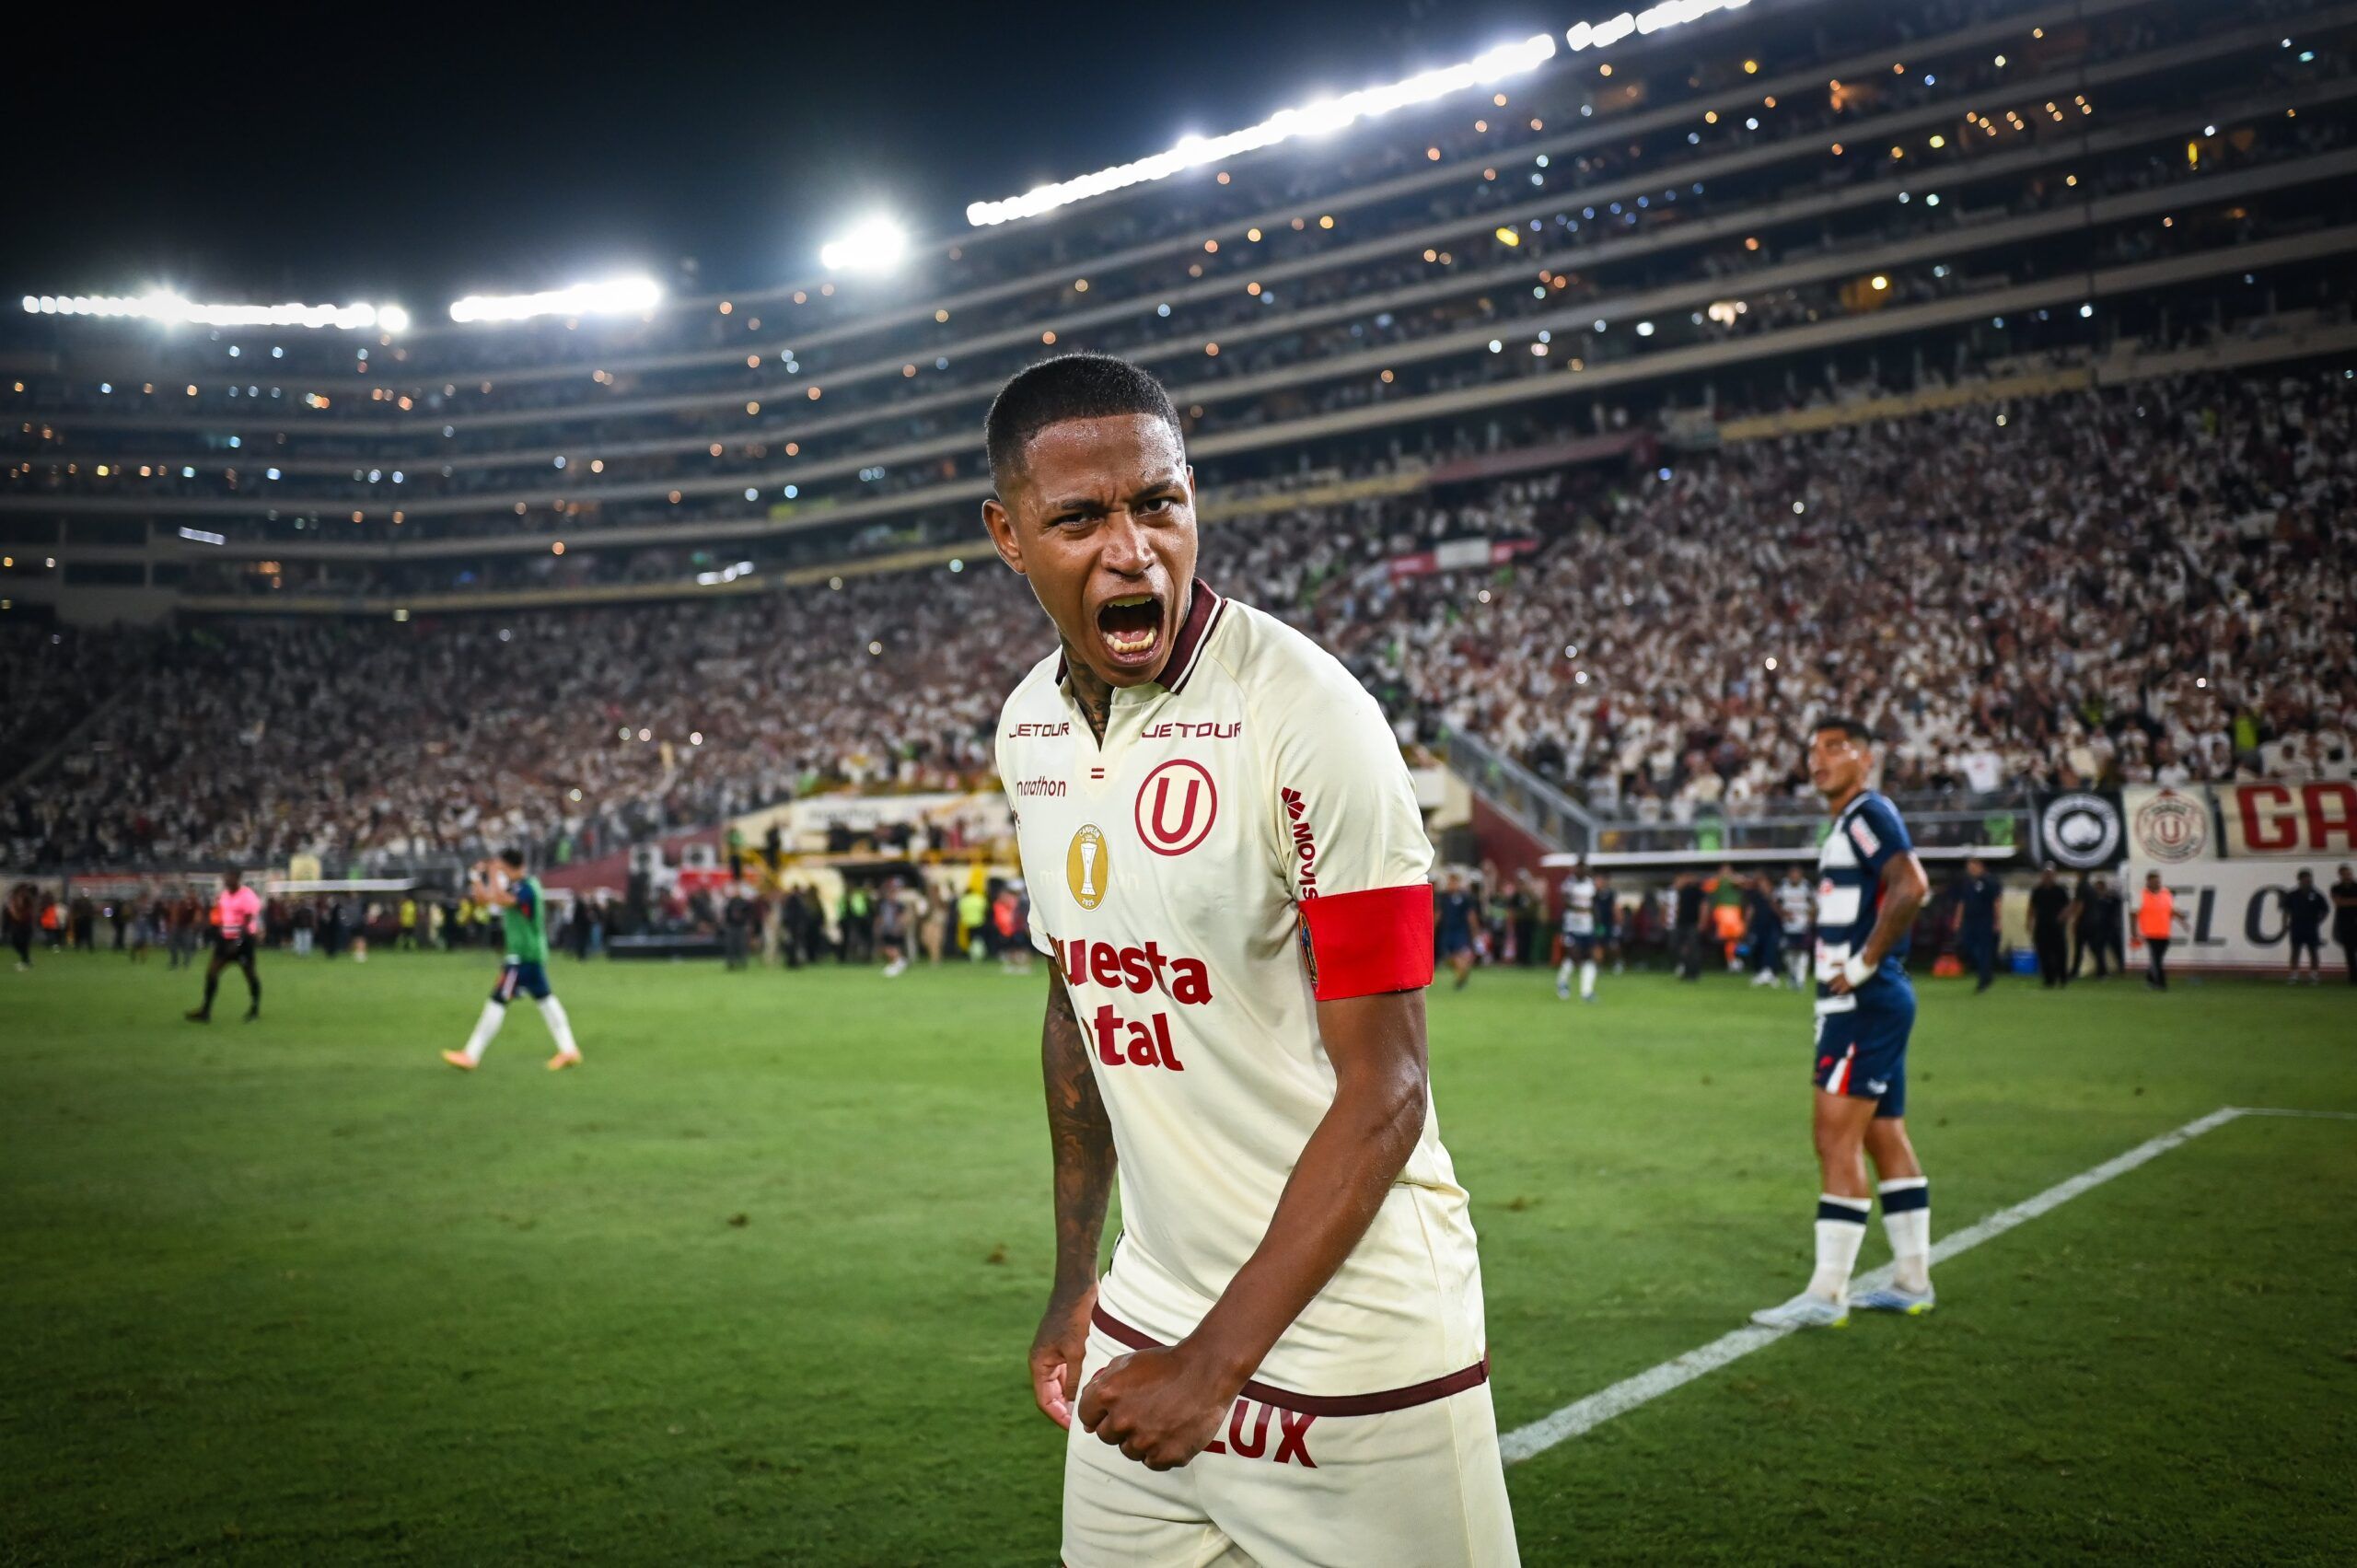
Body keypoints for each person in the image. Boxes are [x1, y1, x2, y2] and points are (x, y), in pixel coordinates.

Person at [981, 354, 1515, 1564]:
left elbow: (1388, 1088)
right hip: (1150, 1317)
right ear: (1009, 535)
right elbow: (1081, 1002)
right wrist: (1081, 1286)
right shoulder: (1030, 729)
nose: (1132, 550)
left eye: (1158, 503)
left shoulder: (1308, 714)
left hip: (1354, 1343)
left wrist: (1215, 1365)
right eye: (1080, 517)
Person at [1753, 716, 1934, 1329]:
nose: (1818, 759)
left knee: (1835, 1138)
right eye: (1813, 749)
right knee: (1884, 1137)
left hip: (1862, 1002)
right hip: (1877, 999)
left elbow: (1911, 886)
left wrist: (1861, 965)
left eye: (1836, 747)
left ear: (1867, 758)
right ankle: (1912, 1278)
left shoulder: (1867, 813)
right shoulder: (1852, 819)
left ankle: (1827, 1292)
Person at [441, 850, 583, 1072]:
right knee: (546, 1001)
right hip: (531, 955)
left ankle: (471, 1054)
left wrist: (494, 871)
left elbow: (500, 899)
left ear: (507, 866)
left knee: (497, 1001)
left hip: (521, 957)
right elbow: (484, 900)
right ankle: (568, 1049)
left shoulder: (526, 887)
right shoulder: (520, 886)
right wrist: (476, 878)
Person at [185, 869, 263, 1024]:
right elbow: (221, 917)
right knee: (211, 972)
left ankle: (254, 1009)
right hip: (225, 940)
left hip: (243, 942)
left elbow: (247, 922)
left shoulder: (247, 896)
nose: (226, 879)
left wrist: (238, 942)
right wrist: (204, 925)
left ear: (238, 878)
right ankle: (205, 1011)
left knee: (250, 975)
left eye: (230, 876)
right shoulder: (224, 895)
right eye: (225, 876)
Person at [2132, 871, 2188, 990]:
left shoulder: (2166, 893)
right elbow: (2133, 913)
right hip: (2150, 933)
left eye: (2158, 881)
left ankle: (2150, 979)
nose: (2157, 883)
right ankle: (2161, 983)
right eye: (2154, 881)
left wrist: (2183, 921)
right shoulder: (2141, 895)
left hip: (2164, 932)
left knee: (2157, 958)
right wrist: (2134, 933)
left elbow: (2173, 910)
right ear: (2148, 882)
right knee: (2156, 958)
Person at [1954, 857, 2001, 993]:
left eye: (1972, 866)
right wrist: (1958, 920)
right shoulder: (1967, 883)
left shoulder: (1989, 882)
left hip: (1985, 920)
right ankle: (1985, 972)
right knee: (1968, 946)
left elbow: (1996, 902)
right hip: (1969, 921)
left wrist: (1997, 921)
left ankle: (1984, 978)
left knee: (1984, 950)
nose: (1970, 869)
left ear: (1980, 866)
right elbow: (1962, 902)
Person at [1555, 860, 1599, 1002]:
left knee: (1590, 958)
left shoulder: (1590, 884)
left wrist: (1594, 916)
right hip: (1572, 927)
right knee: (1575, 956)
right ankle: (1562, 982)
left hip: (1587, 927)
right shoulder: (1569, 884)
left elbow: (1593, 903)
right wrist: (1580, 909)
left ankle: (1587, 992)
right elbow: (1565, 902)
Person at [2027, 865, 2072, 988]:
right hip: (2041, 926)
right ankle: (2049, 979)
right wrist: (2029, 922)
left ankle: (2063, 978)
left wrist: (2063, 917)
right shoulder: (2037, 890)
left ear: (2054, 876)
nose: (2047, 877)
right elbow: (2032, 907)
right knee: (2043, 953)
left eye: (2050, 875)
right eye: (2045, 875)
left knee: (2060, 953)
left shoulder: (2060, 890)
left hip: (2056, 926)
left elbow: (2068, 906)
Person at [2283, 869, 2328, 984]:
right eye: (2305, 879)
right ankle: (2294, 974)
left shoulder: (2317, 895)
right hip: (2296, 927)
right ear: (2300, 880)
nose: (2308, 881)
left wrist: (2318, 921)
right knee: (2295, 951)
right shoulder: (2292, 895)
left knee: (2313, 951)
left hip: (2311, 927)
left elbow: (2325, 910)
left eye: (2309, 879)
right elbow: (2286, 910)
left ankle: (2314, 975)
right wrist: (2285, 924)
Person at [1437, 869, 1477, 990]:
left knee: (1458, 954)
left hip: (1460, 930)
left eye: (1454, 882)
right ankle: (1463, 972)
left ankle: (1461, 976)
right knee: (1447, 957)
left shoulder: (1465, 897)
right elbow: (1439, 914)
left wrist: (1474, 930)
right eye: (1450, 881)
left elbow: (1471, 915)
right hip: (1447, 930)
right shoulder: (1443, 897)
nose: (1451, 884)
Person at [2073, 872, 2118, 980]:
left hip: (2085, 923)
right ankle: (2102, 972)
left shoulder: (2082, 887)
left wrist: (2075, 921)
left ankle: (2075, 972)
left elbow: (2080, 906)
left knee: (2080, 949)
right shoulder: (2091, 890)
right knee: (2096, 949)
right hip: (2094, 923)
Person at [1775, 864, 1813, 989]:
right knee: (1789, 953)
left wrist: (1810, 917)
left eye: (1797, 874)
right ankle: (1792, 975)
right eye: (1792, 874)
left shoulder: (1806, 886)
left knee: (1803, 952)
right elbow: (1775, 902)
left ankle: (1801, 980)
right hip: (1787, 926)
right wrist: (1783, 914)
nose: (1794, 876)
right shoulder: (1783, 886)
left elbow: (1815, 903)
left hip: (1803, 925)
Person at [1745, 873, 1783, 988]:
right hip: (1758, 927)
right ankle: (1760, 972)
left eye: (1764, 883)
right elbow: (1750, 910)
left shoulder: (1777, 895)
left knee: (1771, 949)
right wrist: (1747, 926)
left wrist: (1771, 899)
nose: (1762, 885)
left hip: (1773, 926)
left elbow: (1781, 912)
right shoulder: (1756, 896)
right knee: (1757, 949)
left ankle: (1771, 973)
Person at [2334, 865, 2357, 984]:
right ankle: (2353, 978)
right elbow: (2338, 903)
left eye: (2349, 873)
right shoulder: (2336, 888)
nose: (2347, 876)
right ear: (2340, 875)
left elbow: (2342, 902)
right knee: (2349, 952)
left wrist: (2345, 902)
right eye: (2345, 874)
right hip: (2345, 924)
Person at [6, 881, 34, 970]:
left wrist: (12, 909)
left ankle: (25, 962)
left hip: (25, 923)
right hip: (18, 924)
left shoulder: (26, 898)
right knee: (16, 941)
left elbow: (20, 910)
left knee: (23, 943)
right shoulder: (17, 897)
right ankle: (26, 960)